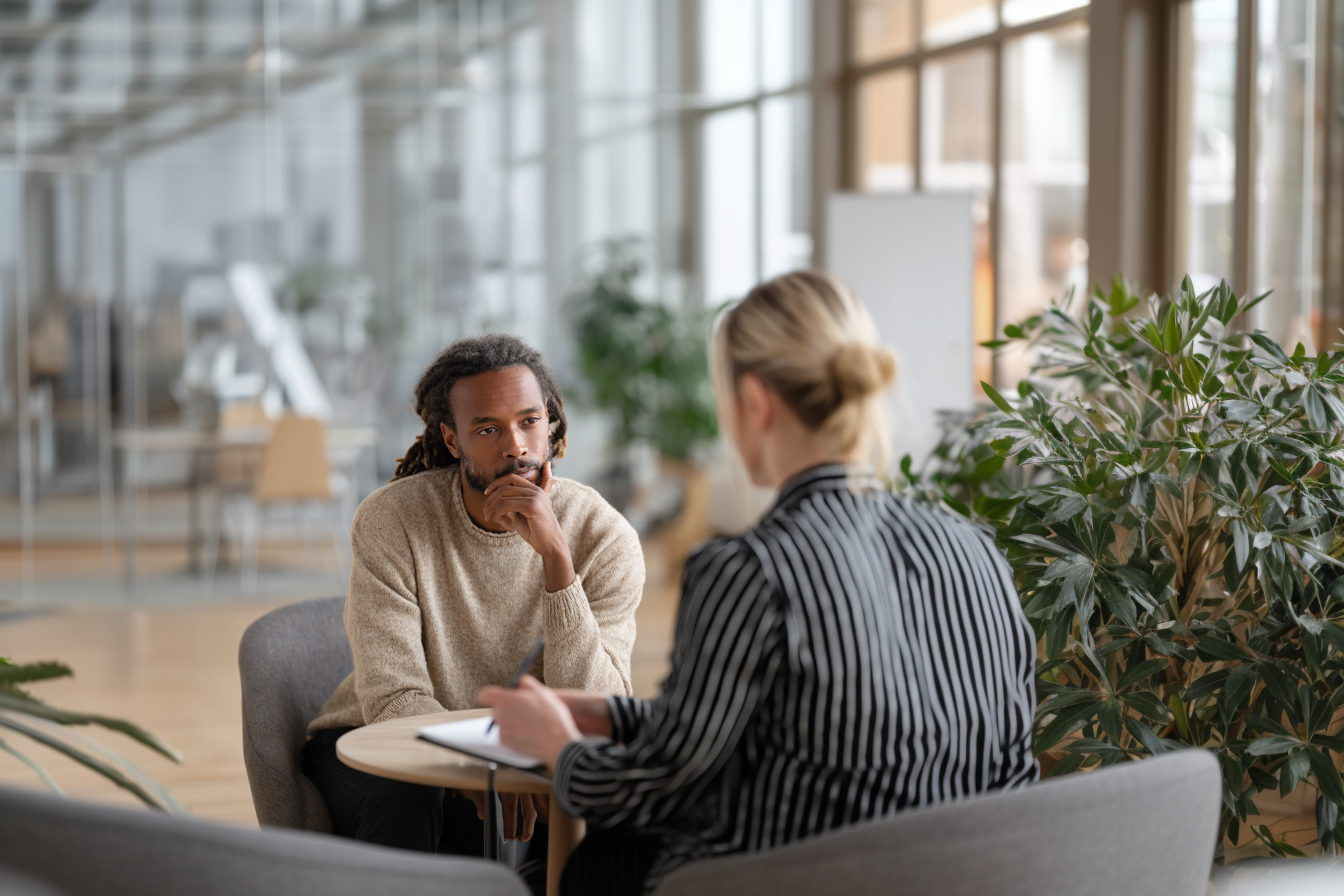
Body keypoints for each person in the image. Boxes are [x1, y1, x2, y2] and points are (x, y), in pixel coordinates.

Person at [481, 271, 1038, 895]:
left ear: (755, 401)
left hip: (784, 878)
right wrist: (614, 716)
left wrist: (561, 750)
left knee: (581, 860)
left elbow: (663, 787)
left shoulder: (748, 570)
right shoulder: (974, 551)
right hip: (960, 878)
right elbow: (1006, 764)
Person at [301, 334, 644, 891]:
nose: (516, 446)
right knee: (412, 798)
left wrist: (558, 561)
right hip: (382, 747)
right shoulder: (392, 521)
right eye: (488, 429)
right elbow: (393, 698)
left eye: (530, 421)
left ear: (551, 424)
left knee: (613, 813)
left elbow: (598, 706)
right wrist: (481, 769)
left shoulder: (603, 537)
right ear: (452, 439)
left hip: (523, 762)